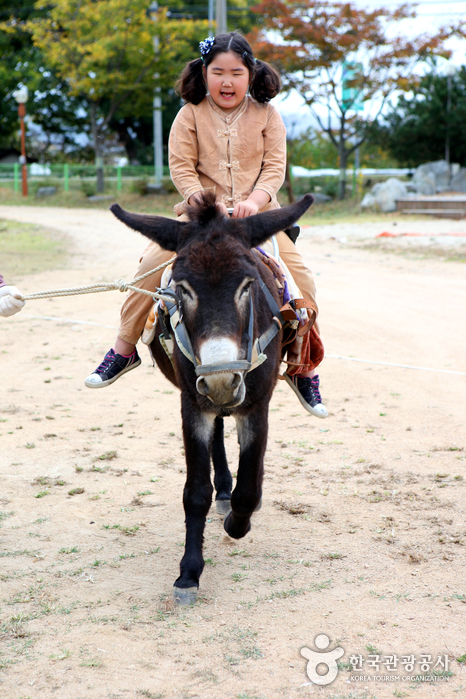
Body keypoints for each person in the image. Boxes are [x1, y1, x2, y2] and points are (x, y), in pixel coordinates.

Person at [85, 32, 328, 418]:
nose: (226, 82)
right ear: (204, 73)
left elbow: (274, 168)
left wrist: (255, 201)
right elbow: (181, 166)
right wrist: (197, 196)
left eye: (236, 72)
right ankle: (124, 347)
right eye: (217, 72)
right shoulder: (188, 114)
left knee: (303, 280)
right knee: (149, 267)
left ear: (251, 74)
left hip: (256, 220)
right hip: (198, 220)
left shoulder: (268, 115)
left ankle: (303, 367)